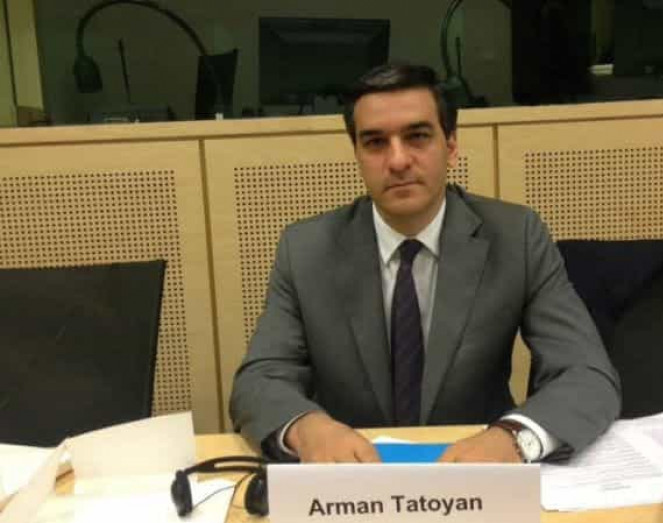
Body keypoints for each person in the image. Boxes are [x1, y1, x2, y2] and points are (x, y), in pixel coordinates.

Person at [230, 63, 620, 463]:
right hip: (353, 479)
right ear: (357, 155)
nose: (398, 160)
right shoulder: (306, 249)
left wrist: (515, 439)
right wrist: (307, 429)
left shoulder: (515, 237)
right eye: (375, 143)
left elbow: (587, 375)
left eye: (417, 137)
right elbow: (259, 380)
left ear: (450, 146)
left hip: (476, 472)